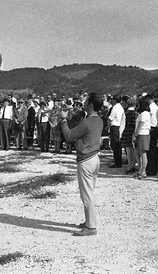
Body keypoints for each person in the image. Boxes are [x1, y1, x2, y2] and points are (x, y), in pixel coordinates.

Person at [60, 92, 104, 237]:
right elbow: (80, 130)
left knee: (86, 195)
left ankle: (91, 227)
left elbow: (69, 136)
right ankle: (89, 221)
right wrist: (73, 117)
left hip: (86, 160)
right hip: (94, 158)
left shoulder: (87, 122)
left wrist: (63, 120)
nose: (83, 104)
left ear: (91, 105)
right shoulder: (98, 120)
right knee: (89, 192)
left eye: (85, 102)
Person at [120, 98, 137, 174]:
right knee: (134, 150)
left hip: (127, 131)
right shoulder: (136, 113)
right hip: (134, 131)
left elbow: (123, 124)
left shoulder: (126, 113)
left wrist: (121, 133)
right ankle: (134, 165)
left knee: (128, 150)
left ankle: (130, 166)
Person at [107, 95, 125, 168]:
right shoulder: (121, 108)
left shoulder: (115, 107)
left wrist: (107, 127)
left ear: (114, 100)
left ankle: (117, 162)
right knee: (118, 145)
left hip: (114, 126)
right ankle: (118, 161)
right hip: (119, 126)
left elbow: (110, 118)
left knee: (115, 145)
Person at [146, 94, 158, 176]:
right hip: (156, 128)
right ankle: (153, 168)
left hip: (152, 128)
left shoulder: (151, 108)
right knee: (153, 150)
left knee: (151, 150)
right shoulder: (157, 108)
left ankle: (151, 169)